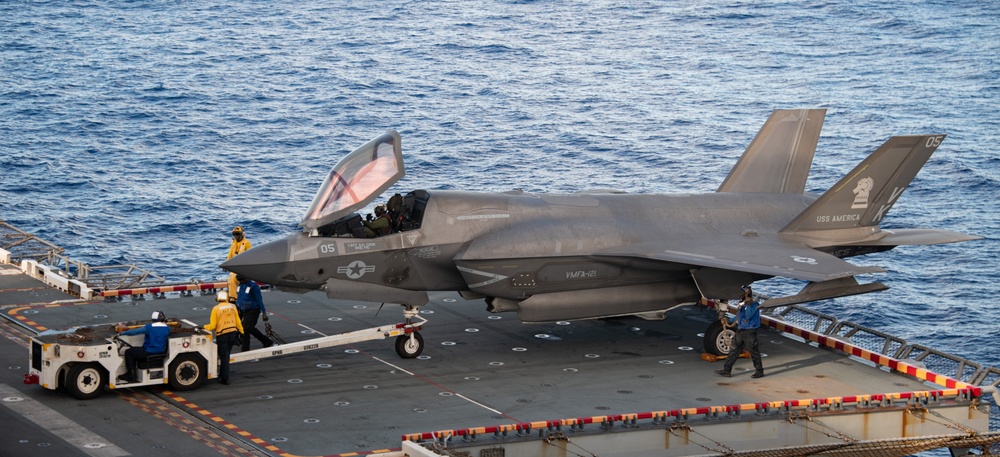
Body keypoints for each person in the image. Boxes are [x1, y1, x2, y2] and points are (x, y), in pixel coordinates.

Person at [714, 285, 764, 378]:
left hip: (749, 331)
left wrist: (746, 304)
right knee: (734, 350)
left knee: (753, 351)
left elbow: (748, 315)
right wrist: (729, 321)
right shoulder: (742, 303)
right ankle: (726, 370)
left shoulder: (754, 305)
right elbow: (739, 315)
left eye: (742, 293)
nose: (740, 295)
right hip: (741, 330)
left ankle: (759, 371)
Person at [118, 310, 171, 383]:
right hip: (160, 352)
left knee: (129, 352)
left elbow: (134, 332)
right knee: (135, 351)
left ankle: (131, 374)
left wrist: (122, 333)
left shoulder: (149, 327)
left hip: (149, 352)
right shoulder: (167, 328)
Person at [204, 290, 244, 385]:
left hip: (222, 335)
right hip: (233, 333)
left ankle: (225, 378)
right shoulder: (233, 306)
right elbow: (238, 321)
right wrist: (242, 332)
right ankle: (222, 376)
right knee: (226, 355)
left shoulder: (216, 309)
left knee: (224, 357)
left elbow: (213, 326)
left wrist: (204, 327)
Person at [236, 275, 273, 351]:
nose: (241, 281)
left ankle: (245, 348)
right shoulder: (240, 286)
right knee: (249, 328)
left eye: (242, 280)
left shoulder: (254, 287)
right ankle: (266, 341)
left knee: (245, 328)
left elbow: (259, 300)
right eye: (239, 280)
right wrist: (237, 308)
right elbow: (239, 298)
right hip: (243, 310)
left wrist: (264, 313)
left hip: (253, 310)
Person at [227, 226, 252, 299]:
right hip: (235, 267)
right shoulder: (233, 242)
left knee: (233, 278)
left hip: (243, 267)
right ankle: (233, 296)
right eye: (234, 234)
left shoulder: (246, 243)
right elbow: (230, 254)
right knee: (230, 278)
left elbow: (250, 256)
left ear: (242, 234)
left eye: (237, 234)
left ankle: (235, 297)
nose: (235, 236)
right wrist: (226, 264)